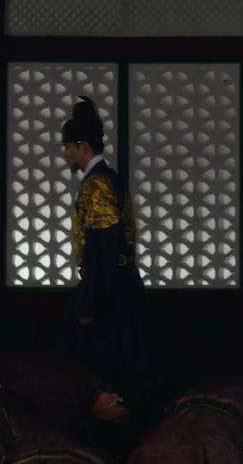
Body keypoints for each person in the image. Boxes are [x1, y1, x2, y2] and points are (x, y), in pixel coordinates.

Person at [55, 97, 152, 381]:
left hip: (109, 289)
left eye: (68, 147)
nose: (66, 154)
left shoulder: (97, 184)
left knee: (103, 367)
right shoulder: (108, 178)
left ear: (83, 146)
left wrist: (91, 301)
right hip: (116, 283)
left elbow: (104, 244)